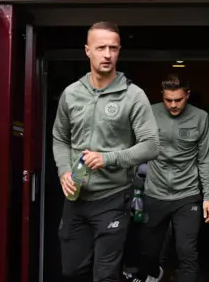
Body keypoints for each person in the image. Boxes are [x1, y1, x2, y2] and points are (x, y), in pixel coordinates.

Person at [52, 21, 160, 282]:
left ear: (119, 51)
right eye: (101, 47)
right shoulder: (72, 93)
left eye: (113, 48)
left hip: (112, 198)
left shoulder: (133, 95)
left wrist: (108, 158)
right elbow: (60, 138)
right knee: (71, 270)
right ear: (88, 50)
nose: (107, 54)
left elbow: (151, 145)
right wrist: (64, 170)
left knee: (106, 275)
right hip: (76, 199)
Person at [130, 74, 209, 282]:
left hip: (187, 195)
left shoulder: (201, 118)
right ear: (162, 95)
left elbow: (205, 160)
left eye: (178, 100)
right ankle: (153, 274)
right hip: (154, 193)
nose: (173, 105)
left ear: (187, 95)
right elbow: (135, 151)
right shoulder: (149, 113)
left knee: (187, 253)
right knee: (148, 252)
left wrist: (208, 196)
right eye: (168, 100)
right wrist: (132, 188)